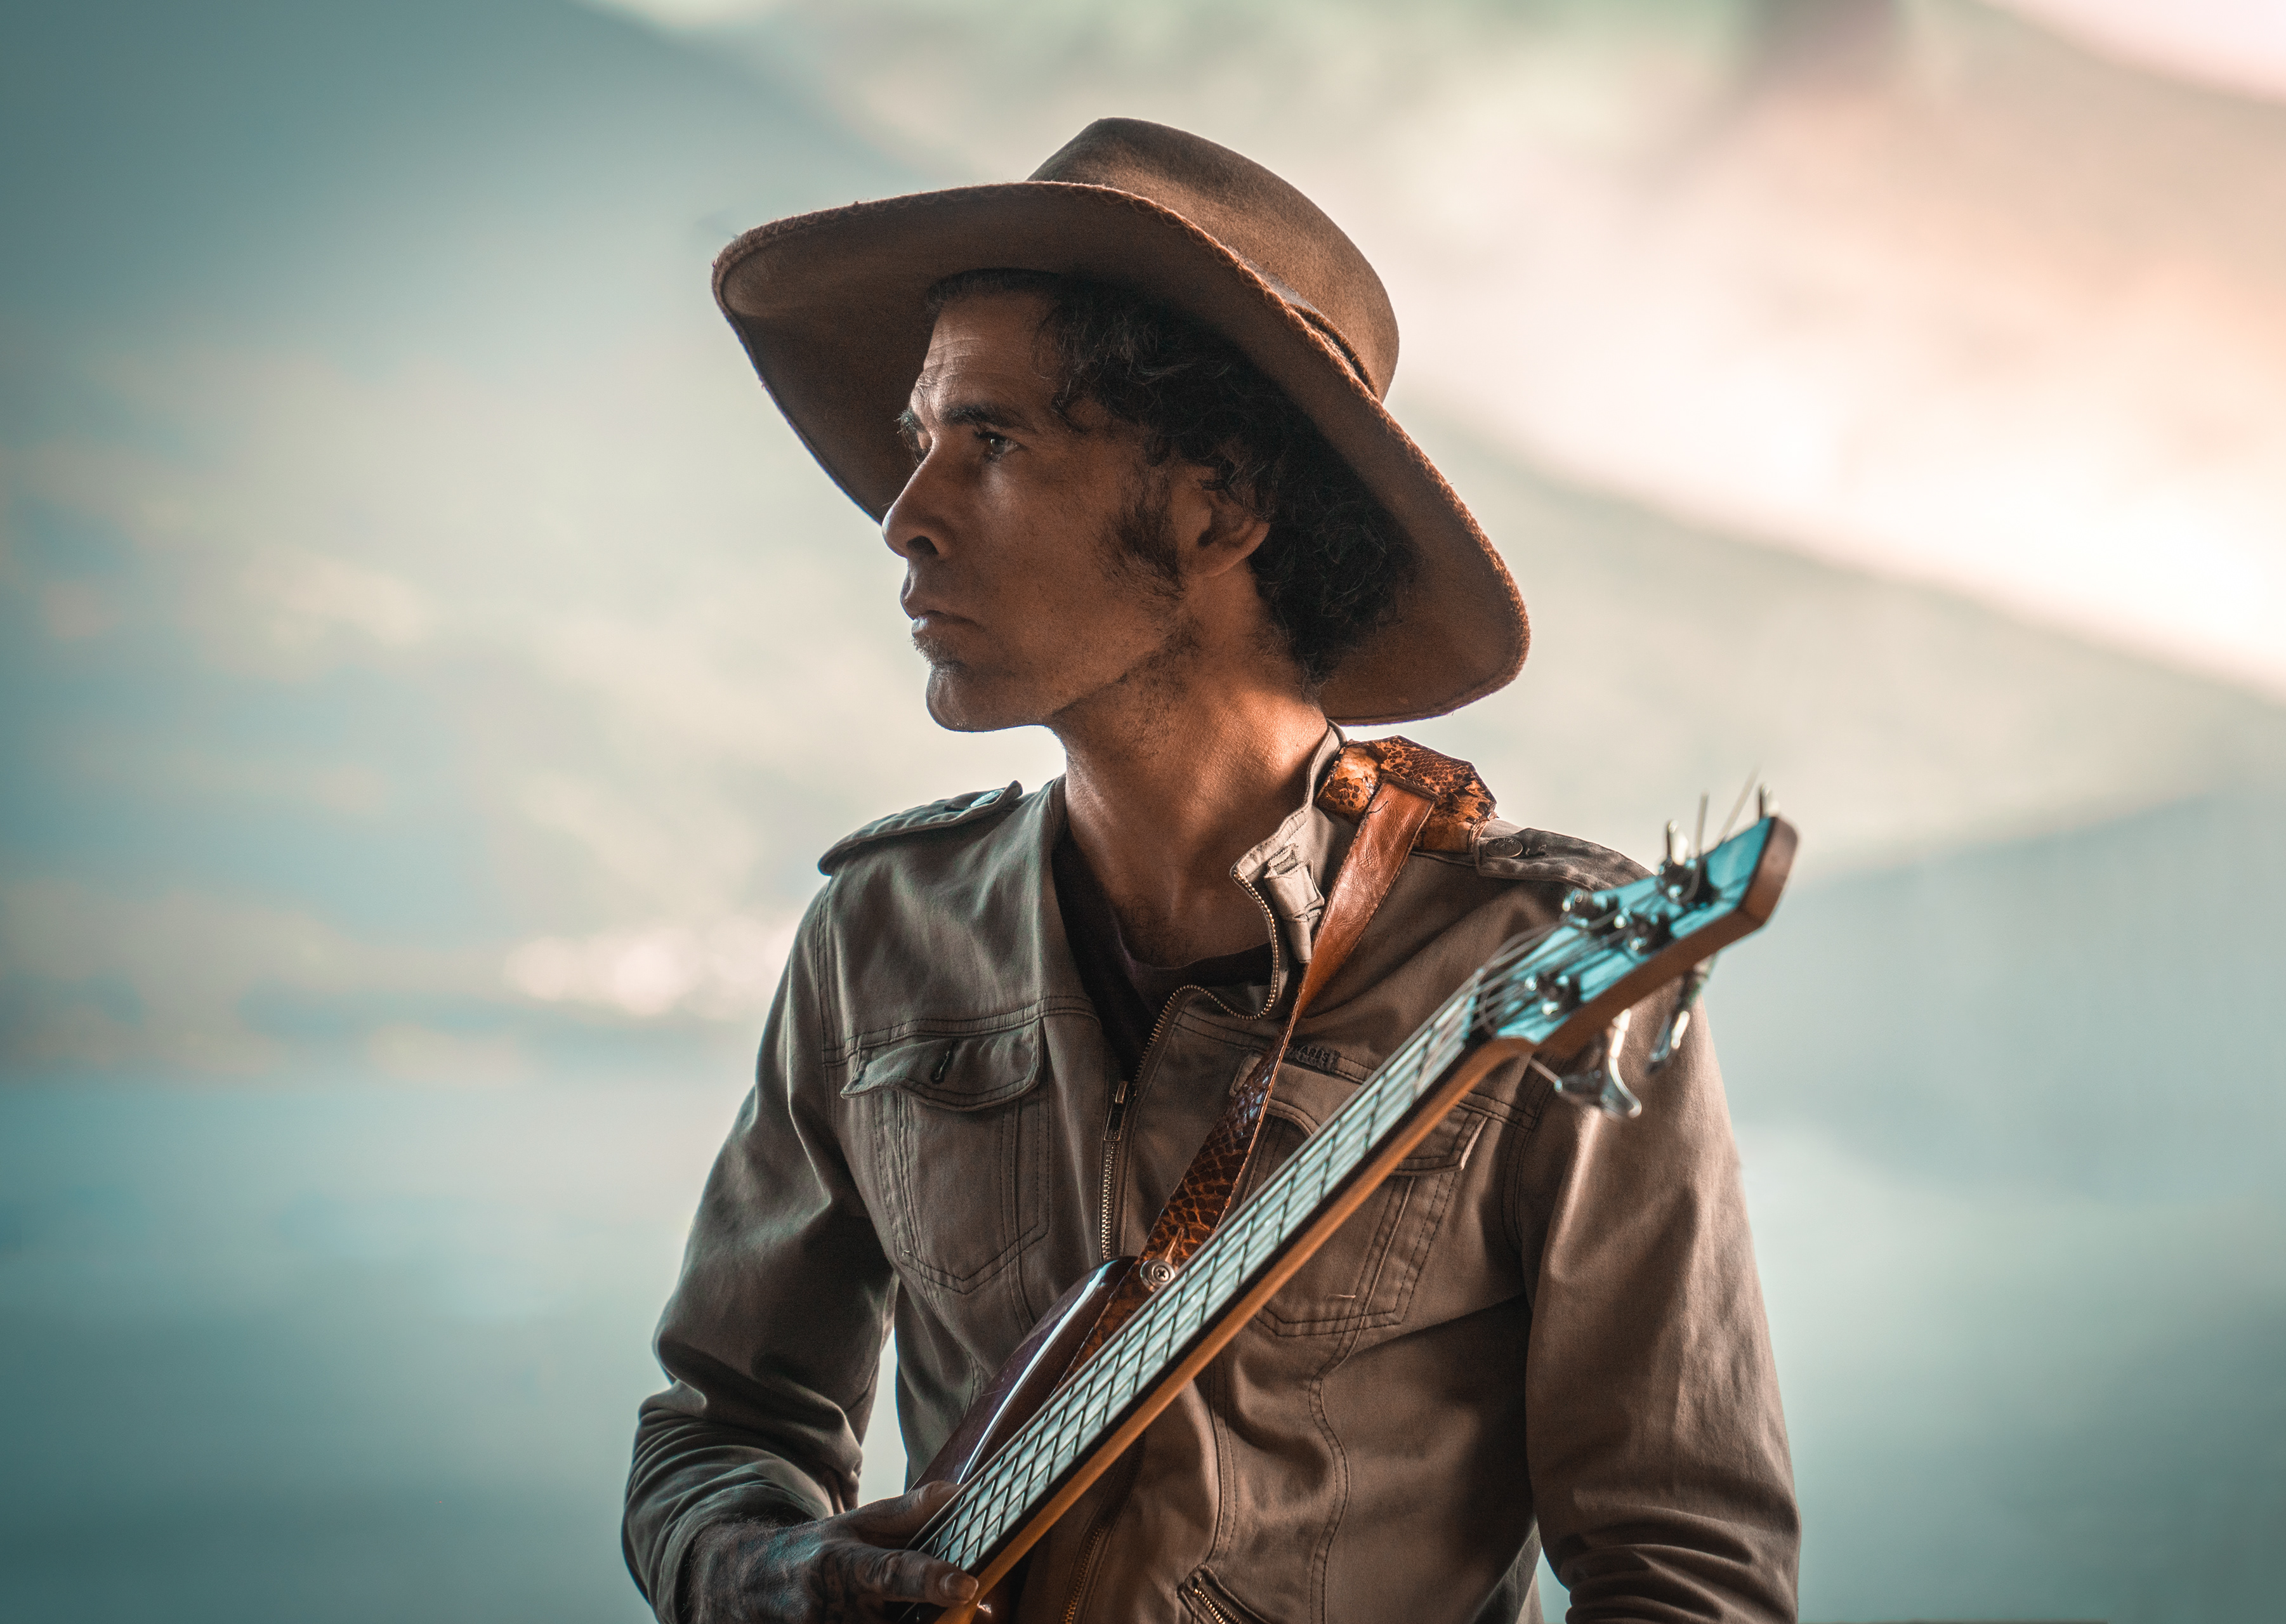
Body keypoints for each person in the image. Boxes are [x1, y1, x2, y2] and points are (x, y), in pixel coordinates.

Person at [624, 119, 1797, 1624]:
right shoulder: (878, 934)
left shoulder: (1534, 961)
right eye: (921, 445)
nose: (905, 519)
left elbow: (1685, 1572)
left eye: (989, 444)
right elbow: (719, 1427)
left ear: (1219, 504)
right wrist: (775, 1571)